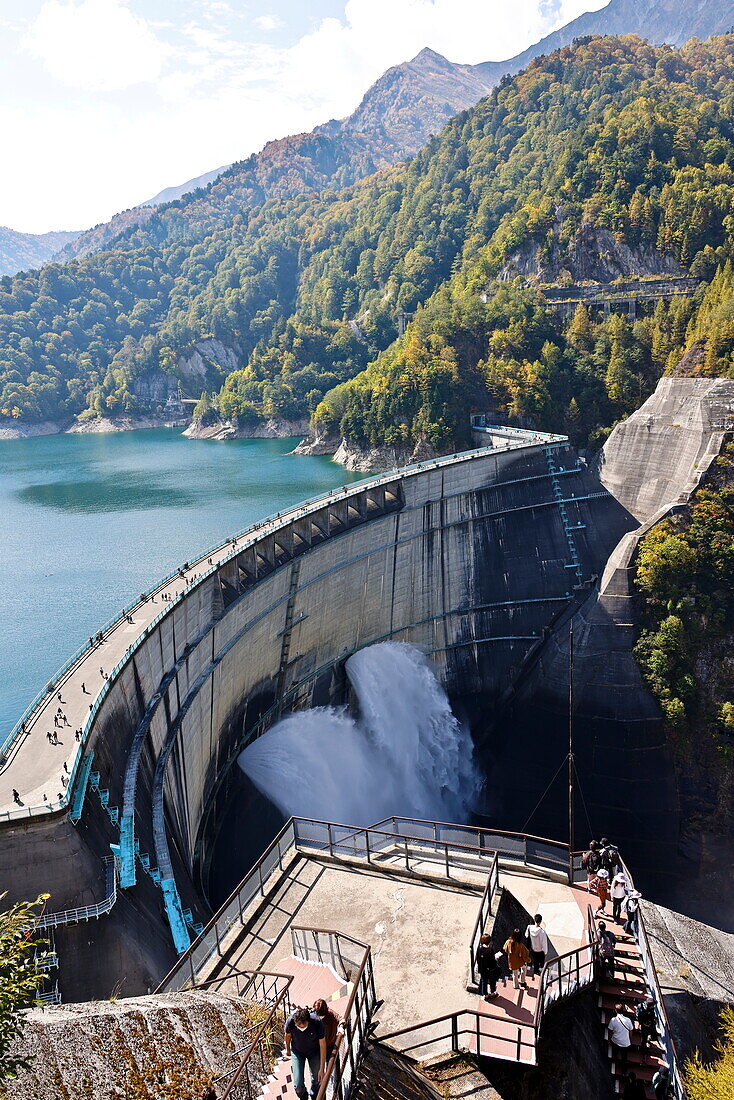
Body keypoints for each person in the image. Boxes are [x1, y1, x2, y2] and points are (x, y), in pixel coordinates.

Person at [284, 1006, 326, 1100]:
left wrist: (322, 1067)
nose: (301, 1028)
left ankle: (315, 1096)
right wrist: (288, 1050)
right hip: (297, 1052)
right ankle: (304, 1096)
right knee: (298, 1086)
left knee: (317, 1080)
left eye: (303, 1026)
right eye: (298, 1026)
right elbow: (287, 1036)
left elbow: (322, 1044)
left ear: (308, 1021)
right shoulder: (290, 1022)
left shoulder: (317, 1022)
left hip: (314, 1052)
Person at [608, 1004, 634, 1072]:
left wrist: (609, 1039)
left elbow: (610, 1031)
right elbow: (631, 1031)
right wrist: (630, 1039)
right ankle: (624, 1071)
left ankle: (614, 1058)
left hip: (615, 1041)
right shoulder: (628, 1020)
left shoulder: (613, 1020)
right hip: (625, 1043)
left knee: (615, 1050)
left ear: (615, 1011)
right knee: (624, 1057)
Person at [475, 934, 502, 998]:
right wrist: (496, 959)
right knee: (492, 981)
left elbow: (478, 959)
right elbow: (492, 961)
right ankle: (492, 993)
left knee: (484, 981)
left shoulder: (479, 949)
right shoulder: (490, 950)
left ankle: (485, 994)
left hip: (482, 969)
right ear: (489, 941)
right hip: (490, 969)